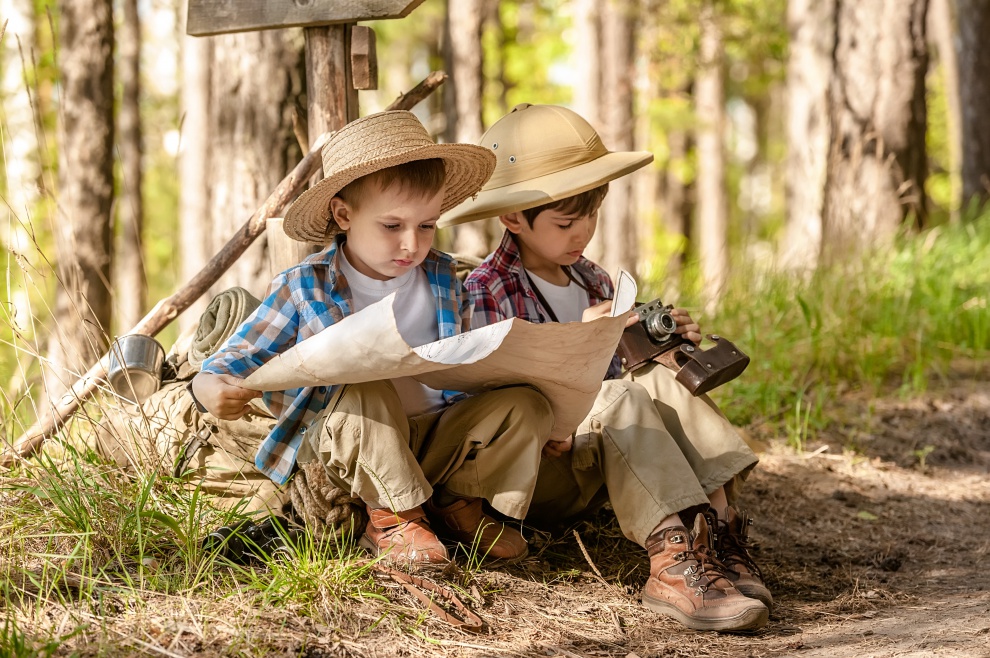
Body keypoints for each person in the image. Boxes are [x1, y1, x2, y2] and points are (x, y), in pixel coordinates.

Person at [441, 103, 771, 631]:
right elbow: (488, 402)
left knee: (660, 379)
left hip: (604, 460)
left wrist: (657, 344)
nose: (583, 232)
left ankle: (718, 536)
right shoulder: (486, 291)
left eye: (592, 215)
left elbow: (632, 384)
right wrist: (581, 338)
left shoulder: (595, 280)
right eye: (566, 221)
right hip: (539, 469)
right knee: (620, 399)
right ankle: (671, 563)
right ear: (512, 218)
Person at [191, 111, 554, 568]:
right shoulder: (306, 286)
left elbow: (468, 359)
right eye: (392, 226)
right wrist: (208, 386)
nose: (411, 244)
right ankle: (394, 517)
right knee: (366, 384)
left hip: (432, 439)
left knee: (524, 403)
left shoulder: (442, 277)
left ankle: (459, 505)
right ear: (343, 214)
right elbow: (239, 353)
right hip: (350, 446)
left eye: (426, 225)